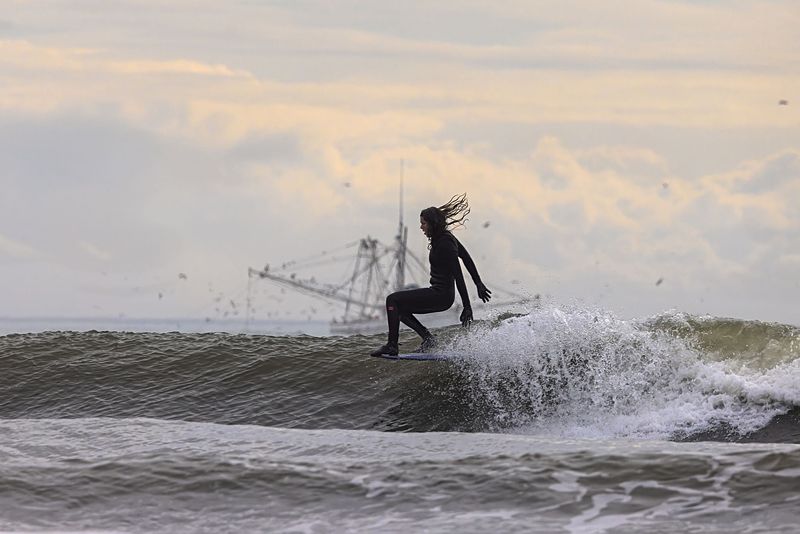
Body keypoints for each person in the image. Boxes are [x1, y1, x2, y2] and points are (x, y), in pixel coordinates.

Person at [370, 193, 491, 356]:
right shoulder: (443, 238)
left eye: (423, 223)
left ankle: (392, 345)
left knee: (392, 299)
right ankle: (428, 339)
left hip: (441, 295)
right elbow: (466, 258)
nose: (421, 227)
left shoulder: (445, 243)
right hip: (439, 294)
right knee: (399, 308)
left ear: (432, 224)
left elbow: (458, 274)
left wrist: (467, 306)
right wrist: (478, 283)